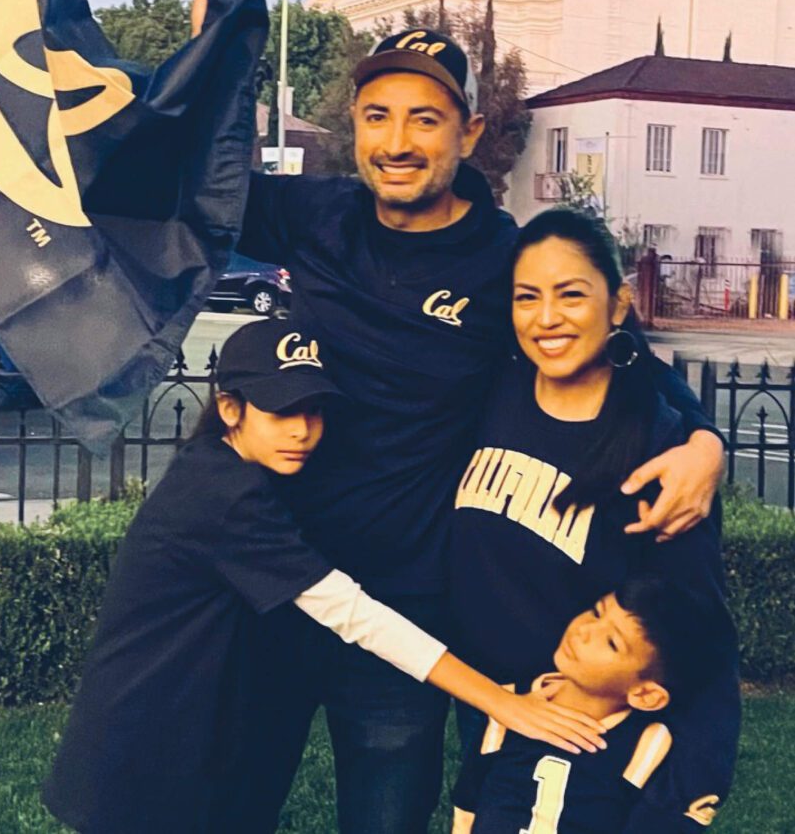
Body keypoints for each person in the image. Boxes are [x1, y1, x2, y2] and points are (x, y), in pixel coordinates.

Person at [191, 0, 725, 833]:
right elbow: (189, 186)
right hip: (274, 581)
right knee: (222, 799)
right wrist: (214, 55)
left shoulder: (504, 264)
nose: (397, 142)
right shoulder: (312, 214)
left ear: (470, 133)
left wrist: (702, 441)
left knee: (386, 815)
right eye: (377, 117)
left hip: (405, 607)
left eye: (425, 120)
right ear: (354, 129)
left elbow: (615, 350)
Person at [42, 318, 606, 834]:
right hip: (152, 749)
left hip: (201, 734)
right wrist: (502, 703)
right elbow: (351, 614)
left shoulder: (232, 469)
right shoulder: (223, 494)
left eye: (315, 410)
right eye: (281, 411)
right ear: (230, 409)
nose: (304, 430)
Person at [449, 209, 740, 832]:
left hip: (590, 739)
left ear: (617, 304)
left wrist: (695, 792)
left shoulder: (658, 446)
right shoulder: (489, 392)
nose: (546, 318)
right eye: (528, 297)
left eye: (571, 295)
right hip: (493, 709)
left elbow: (699, 628)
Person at [451, 576, 735, 834]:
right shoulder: (509, 703)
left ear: (646, 694)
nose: (585, 631)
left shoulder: (645, 744)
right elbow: (468, 804)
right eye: (597, 612)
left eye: (611, 642)